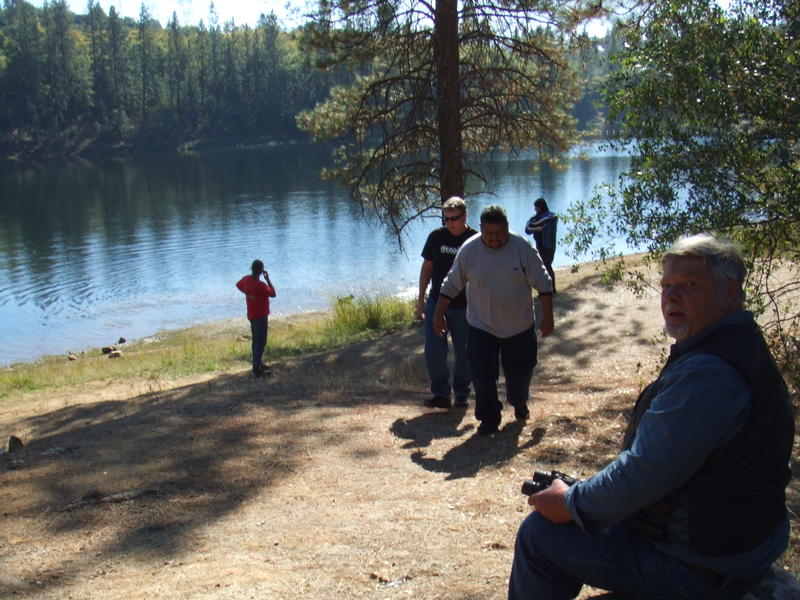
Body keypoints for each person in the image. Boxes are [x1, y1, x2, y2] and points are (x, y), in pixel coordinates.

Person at [509, 233, 795, 599]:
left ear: (729, 294)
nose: (672, 296)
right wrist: (582, 494)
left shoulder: (709, 373)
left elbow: (644, 472)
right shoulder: (738, 345)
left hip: (705, 565)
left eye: (689, 285)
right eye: (667, 286)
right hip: (740, 545)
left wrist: (570, 502)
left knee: (540, 536)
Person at [433, 205, 554, 435]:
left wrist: (548, 318)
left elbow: (544, 284)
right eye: (489, 234)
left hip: (519, 326)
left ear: (507, 228)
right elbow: (450, 285)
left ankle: (519, 402)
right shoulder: (470, 250)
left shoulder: (521, 248)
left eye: (500, 233)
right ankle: (489, 419)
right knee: (481, 376)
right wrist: (438, 315)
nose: (495, 239)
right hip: (481, 326)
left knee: (520, 375)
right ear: (481, 229)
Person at [417, 197, 478, 409]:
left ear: (465, 217)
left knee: (464, 351)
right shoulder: (436, 237)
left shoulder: (474, 239)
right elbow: (426, 269)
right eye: (447, 219)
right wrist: (421, 300)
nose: (450, 223)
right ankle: (441, 394)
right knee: (434, 349)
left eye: (455, 218)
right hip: (436, 302)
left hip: (464, 306)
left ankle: (461, 393)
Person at [236, 259, 277, 378]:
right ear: (261, 271)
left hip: (252, 315)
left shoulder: (246, 279)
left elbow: (237, 285)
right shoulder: (261, 285)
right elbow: (273, 293)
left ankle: (258, 364)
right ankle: (256, 369)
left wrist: (247, 293)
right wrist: (268, 279)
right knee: (261, 342)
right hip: (261, 316)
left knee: (255, 341)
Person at [525, 197, 558, 293]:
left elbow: (530, 227)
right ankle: (548, 289)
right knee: (545, 266)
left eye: (536, 207)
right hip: (545, 246)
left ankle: (549, 289)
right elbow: (528, 229)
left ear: (541, 207)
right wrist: (534, 222)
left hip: (546, 246)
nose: (535, 210)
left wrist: (534, 221)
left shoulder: (549, 217)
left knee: (546, 266)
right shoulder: (544, 217)